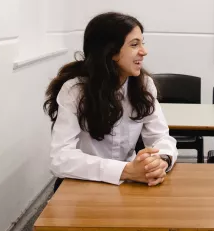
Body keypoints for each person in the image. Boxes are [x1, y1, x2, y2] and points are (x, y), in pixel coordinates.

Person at [44, 12, 178, 187]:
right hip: (83, 184)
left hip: (130, 182)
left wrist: (160, 160)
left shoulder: (144, 85)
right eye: (134, 44)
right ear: (111, 52)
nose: (144, 52)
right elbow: (60, 158)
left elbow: (160, 136)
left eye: (142, 43)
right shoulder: (75, 90)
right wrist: (126, 170)